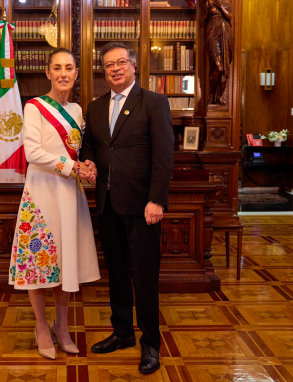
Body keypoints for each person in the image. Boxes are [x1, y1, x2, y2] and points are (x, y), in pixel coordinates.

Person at [80, 42, 174, 374]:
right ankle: (122, 333)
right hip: (106, 204)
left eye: (121, 62)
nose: (116, 68)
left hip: (142, 206)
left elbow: (164, 156)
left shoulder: (154, 102)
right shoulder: (95, 107)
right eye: (109, 65)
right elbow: (90, 144)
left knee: (145, 276)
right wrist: (88, 161)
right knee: (116, 273)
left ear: (133, 66)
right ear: (103, 71)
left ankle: (150, 342)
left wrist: (157, 200)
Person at [8, 48, 100, 360]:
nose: (63, 73)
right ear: (48, 73)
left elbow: (80, 150)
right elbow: (32, 153)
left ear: (76, 73)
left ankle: (62, 326)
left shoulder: (76, 110)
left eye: (69, 68)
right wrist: (72, 166)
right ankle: (41, 327)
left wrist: (86, 166)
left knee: (66, 264)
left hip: (70, 196)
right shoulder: (33, 107)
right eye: (57, 68)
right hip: (42, 194)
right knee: (40, 265)